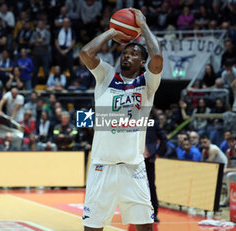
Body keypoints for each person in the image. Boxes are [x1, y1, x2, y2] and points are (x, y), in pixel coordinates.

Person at [79, 8, 163, 230]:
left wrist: (142, 26)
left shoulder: (148, 84)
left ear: (142, 62)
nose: (127, 55)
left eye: (134, 53)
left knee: (145, 226)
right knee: (93, 228)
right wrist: (112, 31)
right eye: (125, 52)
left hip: (133, 167)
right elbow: (86, 52)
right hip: (101, 167)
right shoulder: (106, 76)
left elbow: (157, 56)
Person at [144, 119, 166, 223]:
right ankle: (135, 212)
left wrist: (157, 153)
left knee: (151, 186)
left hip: (148, 160)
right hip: (134, 159)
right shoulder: (131, 120)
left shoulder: (152, 123)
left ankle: (154, 213)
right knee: (134, 187)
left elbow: (164, 139)